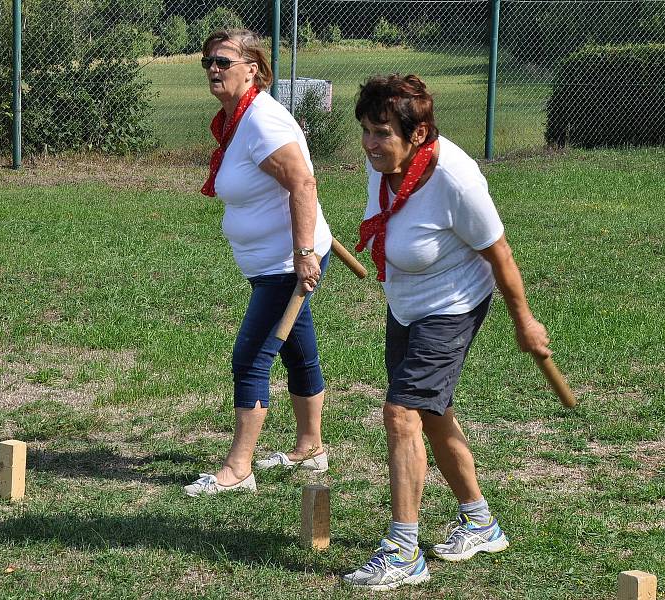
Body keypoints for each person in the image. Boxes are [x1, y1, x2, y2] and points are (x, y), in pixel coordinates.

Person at [341, 74, 552, 589]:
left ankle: (403, 550)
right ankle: (481, 522)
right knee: (431, 416)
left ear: (417, 134)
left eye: (382, 133)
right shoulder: (384, 165)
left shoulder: (454, 178)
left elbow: (498, 253)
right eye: (366, 131)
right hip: (407, 304)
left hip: (453, 305)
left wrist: (525, 321)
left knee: (400, 412)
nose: (370, 144)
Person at [184, 29, 333, 497]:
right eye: (208, 60)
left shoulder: (263, 121)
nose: (213, 68)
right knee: (295, 350)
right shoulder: (239, 119)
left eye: (224, 61)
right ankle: (311, 448)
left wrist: (305, 253)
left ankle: (238, 467)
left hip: (286, 265)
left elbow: (303, 183)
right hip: (270, 262)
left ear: (253, 69)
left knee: (251, 357)